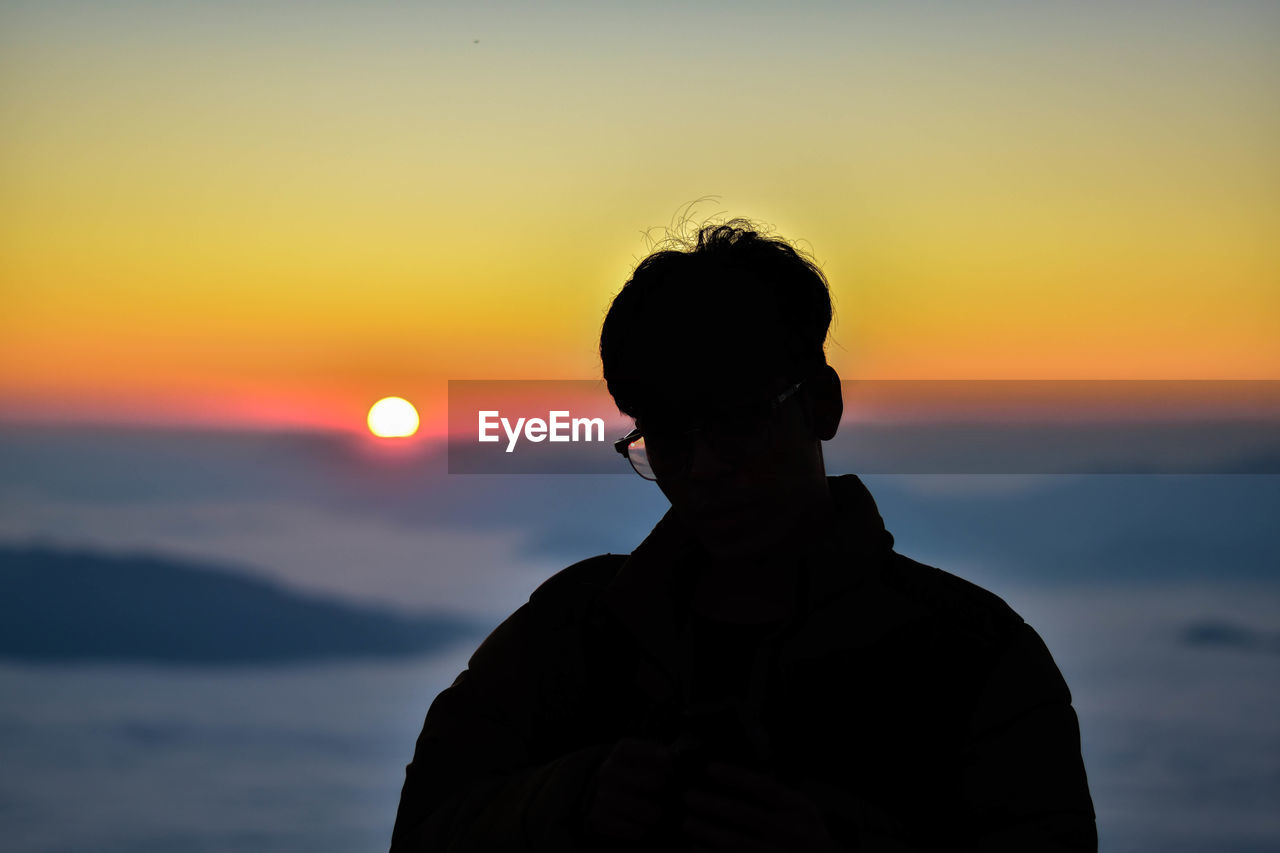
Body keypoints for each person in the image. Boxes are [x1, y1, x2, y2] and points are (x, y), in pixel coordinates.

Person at [390, 221, 1097, 851]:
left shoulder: (973, 660)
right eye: (665, 433)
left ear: (822, 404)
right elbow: (424, 833)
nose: (702, 467)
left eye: (734, 420)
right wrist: (575, 798)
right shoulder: (568, 632)